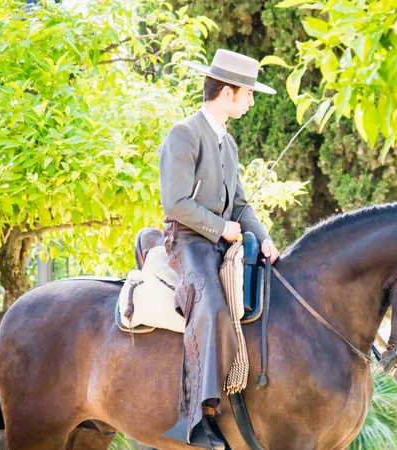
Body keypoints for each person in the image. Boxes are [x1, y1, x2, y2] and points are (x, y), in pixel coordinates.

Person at [158, 49, 280, 449]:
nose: (251, 101)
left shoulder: (228, 143)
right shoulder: (185, 133)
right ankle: (199, 416)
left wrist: (262, 237)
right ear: (228, 92)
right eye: (248, 93)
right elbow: (175, 202)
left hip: (222, 241)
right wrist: (219, 226)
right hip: (187, 241)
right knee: (211, 307)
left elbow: (241, 205)